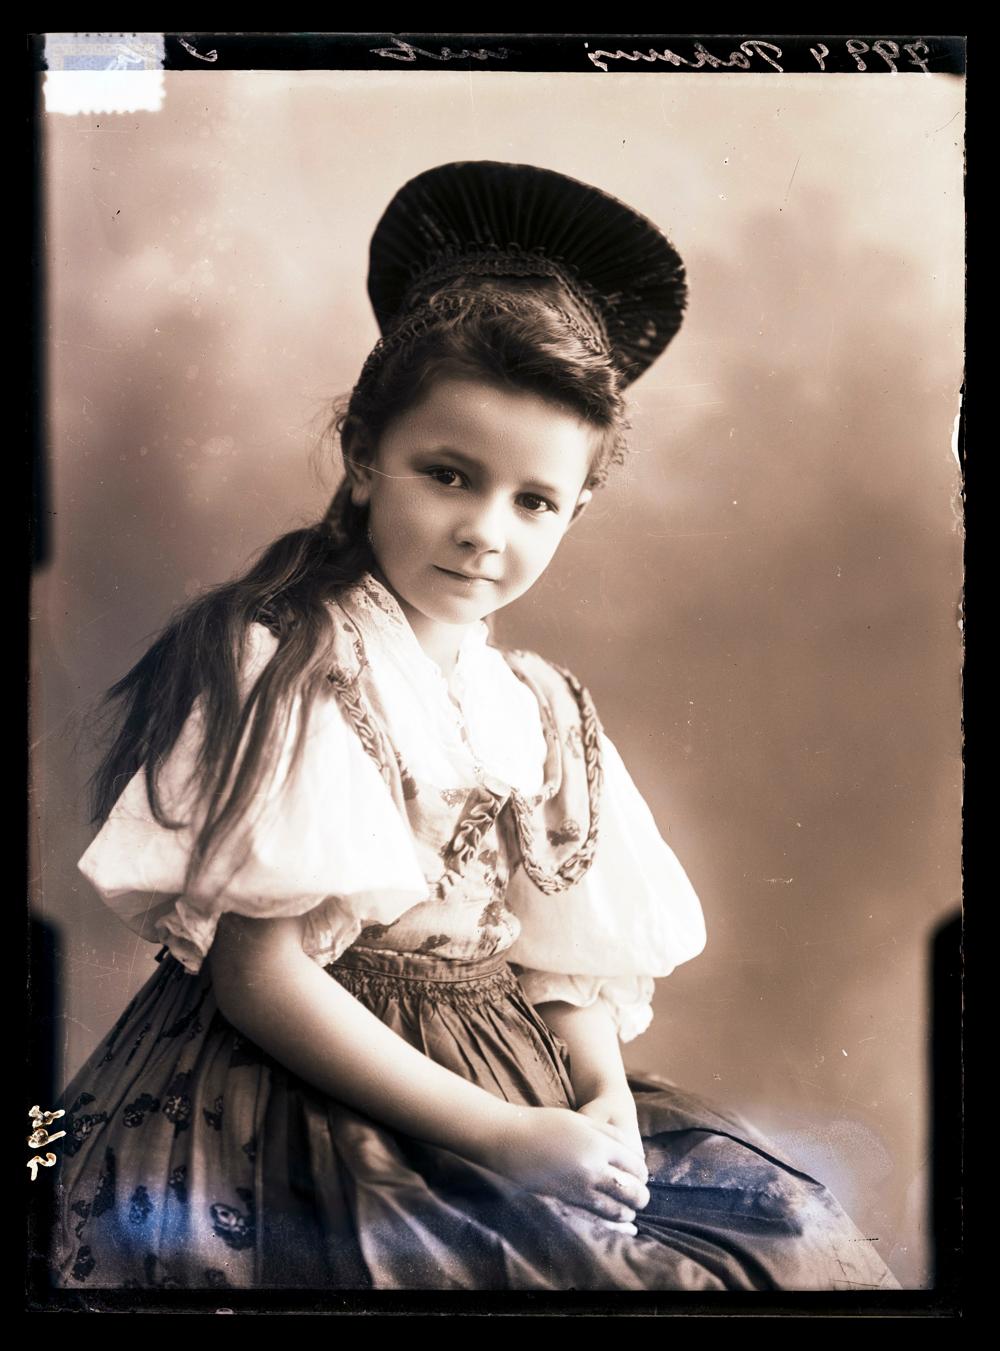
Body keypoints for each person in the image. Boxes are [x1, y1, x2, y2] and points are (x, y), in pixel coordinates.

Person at [47, 162, 900, 1293]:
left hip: (507, 1082)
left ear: (577, 507)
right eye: (448, 475)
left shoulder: (538, 705)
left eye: (533, 499)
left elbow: (558, 966)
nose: (484, 531)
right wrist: (503, 1137)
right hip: (302, 1096)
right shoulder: (293, 659)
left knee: (774, 1237)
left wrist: (597, 1095)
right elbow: (261, 978)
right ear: (364, 457)